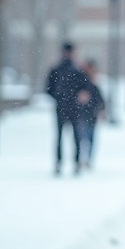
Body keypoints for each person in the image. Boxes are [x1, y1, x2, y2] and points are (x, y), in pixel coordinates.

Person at [45, 41, 90, 175]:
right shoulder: (74, 70)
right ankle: (72, 162)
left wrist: (60, 98)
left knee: (65, 136)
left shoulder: (59, 70)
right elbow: (85, 88)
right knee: (73, 136)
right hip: (71, 107)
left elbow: (49, 89)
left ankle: (64, 162)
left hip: (64, 107)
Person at [76, 59, 106, 169]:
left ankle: (87, 159)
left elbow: (99, 99)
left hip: (90, 115)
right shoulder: (82, 82)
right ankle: (82, 159)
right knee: (83, 138)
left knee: (89, 138)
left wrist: (100, 109)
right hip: (83, 115)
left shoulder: (93, 84)